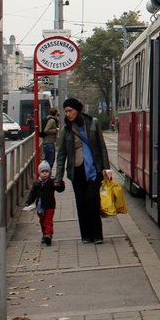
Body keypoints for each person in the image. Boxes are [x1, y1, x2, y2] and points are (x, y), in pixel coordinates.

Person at [53, 97, 111, 245]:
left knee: (91, 200)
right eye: (65, 111)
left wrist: (106, 168)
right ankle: (86, 235)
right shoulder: (66, 130)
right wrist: (58, 179)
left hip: (94, 169)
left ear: (77, 110)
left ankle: (97, 235)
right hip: (76, 170)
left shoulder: (93, 123)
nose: (68, 114)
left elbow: (101, 146)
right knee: (80, 203)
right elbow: (61, 156)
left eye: (70, 111)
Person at [24, 161, 65, 245]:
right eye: (42, 172)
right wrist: (28, 202)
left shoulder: (51, 182)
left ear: (49, 172)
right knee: (42, 221)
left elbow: (60, 189)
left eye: (46, 172)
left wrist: (60, 183)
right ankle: (44, 234)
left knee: (48, 220)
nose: (45, 174)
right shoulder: (37, 184)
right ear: (39, 173)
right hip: (40, 206)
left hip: (50, 205)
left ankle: (48, 235)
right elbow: (32, 194)